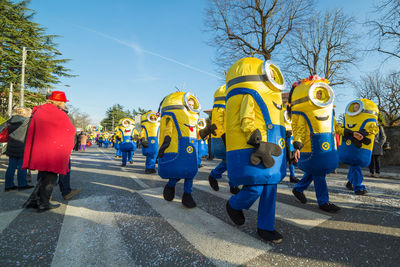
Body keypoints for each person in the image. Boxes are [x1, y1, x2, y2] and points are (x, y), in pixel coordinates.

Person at [224, 58, 287, 243]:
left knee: (271, 187)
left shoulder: (273, 98)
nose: (273, 77)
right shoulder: (251, 94)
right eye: (271, 74)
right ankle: (234, 204)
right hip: (256, 147)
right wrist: (257, 141)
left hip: (274, 148)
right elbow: (245, 119)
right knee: (255, 187)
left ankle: (266, 228)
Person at [290, 75, 340, 212]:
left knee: (315, 171)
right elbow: (298, 129)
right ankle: (323, 202)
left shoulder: (328, 111)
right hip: (310, 147)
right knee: (319, 173)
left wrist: (348, 132)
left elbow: (334, 126)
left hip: (325, 147)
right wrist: (297, 146)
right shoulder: (303, 111)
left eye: (320, 93)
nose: (318, 96)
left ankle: (298, 189)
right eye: (316, 93)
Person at [22, 91, 75, 212]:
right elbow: (69, 130)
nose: (64, 104)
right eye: (63, 102)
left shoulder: (40, 110)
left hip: (41, 149)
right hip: (53, 151)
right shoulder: (57, 113)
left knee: (44, 175)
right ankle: (44, 203)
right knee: (50, 177)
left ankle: (33, 200)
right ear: (58, 101)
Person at [159, 92, 202, 208]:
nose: (191, 106)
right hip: (177, 147)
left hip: (191, 149)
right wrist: (166, 142)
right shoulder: (173, 115)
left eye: (193, 104)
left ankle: (187, 195)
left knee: (190, 173)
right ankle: (170, 185)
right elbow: (168, 127)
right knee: (177, 172)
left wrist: (206, 132)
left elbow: (197, 133)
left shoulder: (194, 118)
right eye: (189, 103)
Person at [337, 99, 379, 195]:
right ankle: (358, 187)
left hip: (361, 148)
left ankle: (351, 182)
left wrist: (365, 133)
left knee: (355, 164)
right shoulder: (348, 118)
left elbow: (374, 129)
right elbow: (342, 129)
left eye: (357, 107)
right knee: (355, 165)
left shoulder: (369, 120)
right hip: (349, 146)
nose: (355, 109)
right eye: (354, 107)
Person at [4, 107, 34, 192]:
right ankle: (22, 184)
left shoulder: (10, 121)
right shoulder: (27, 121)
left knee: (11, 167)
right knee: (22, 167)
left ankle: (8, 185)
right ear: (25, 114)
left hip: (11, 146)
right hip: (22, 146)